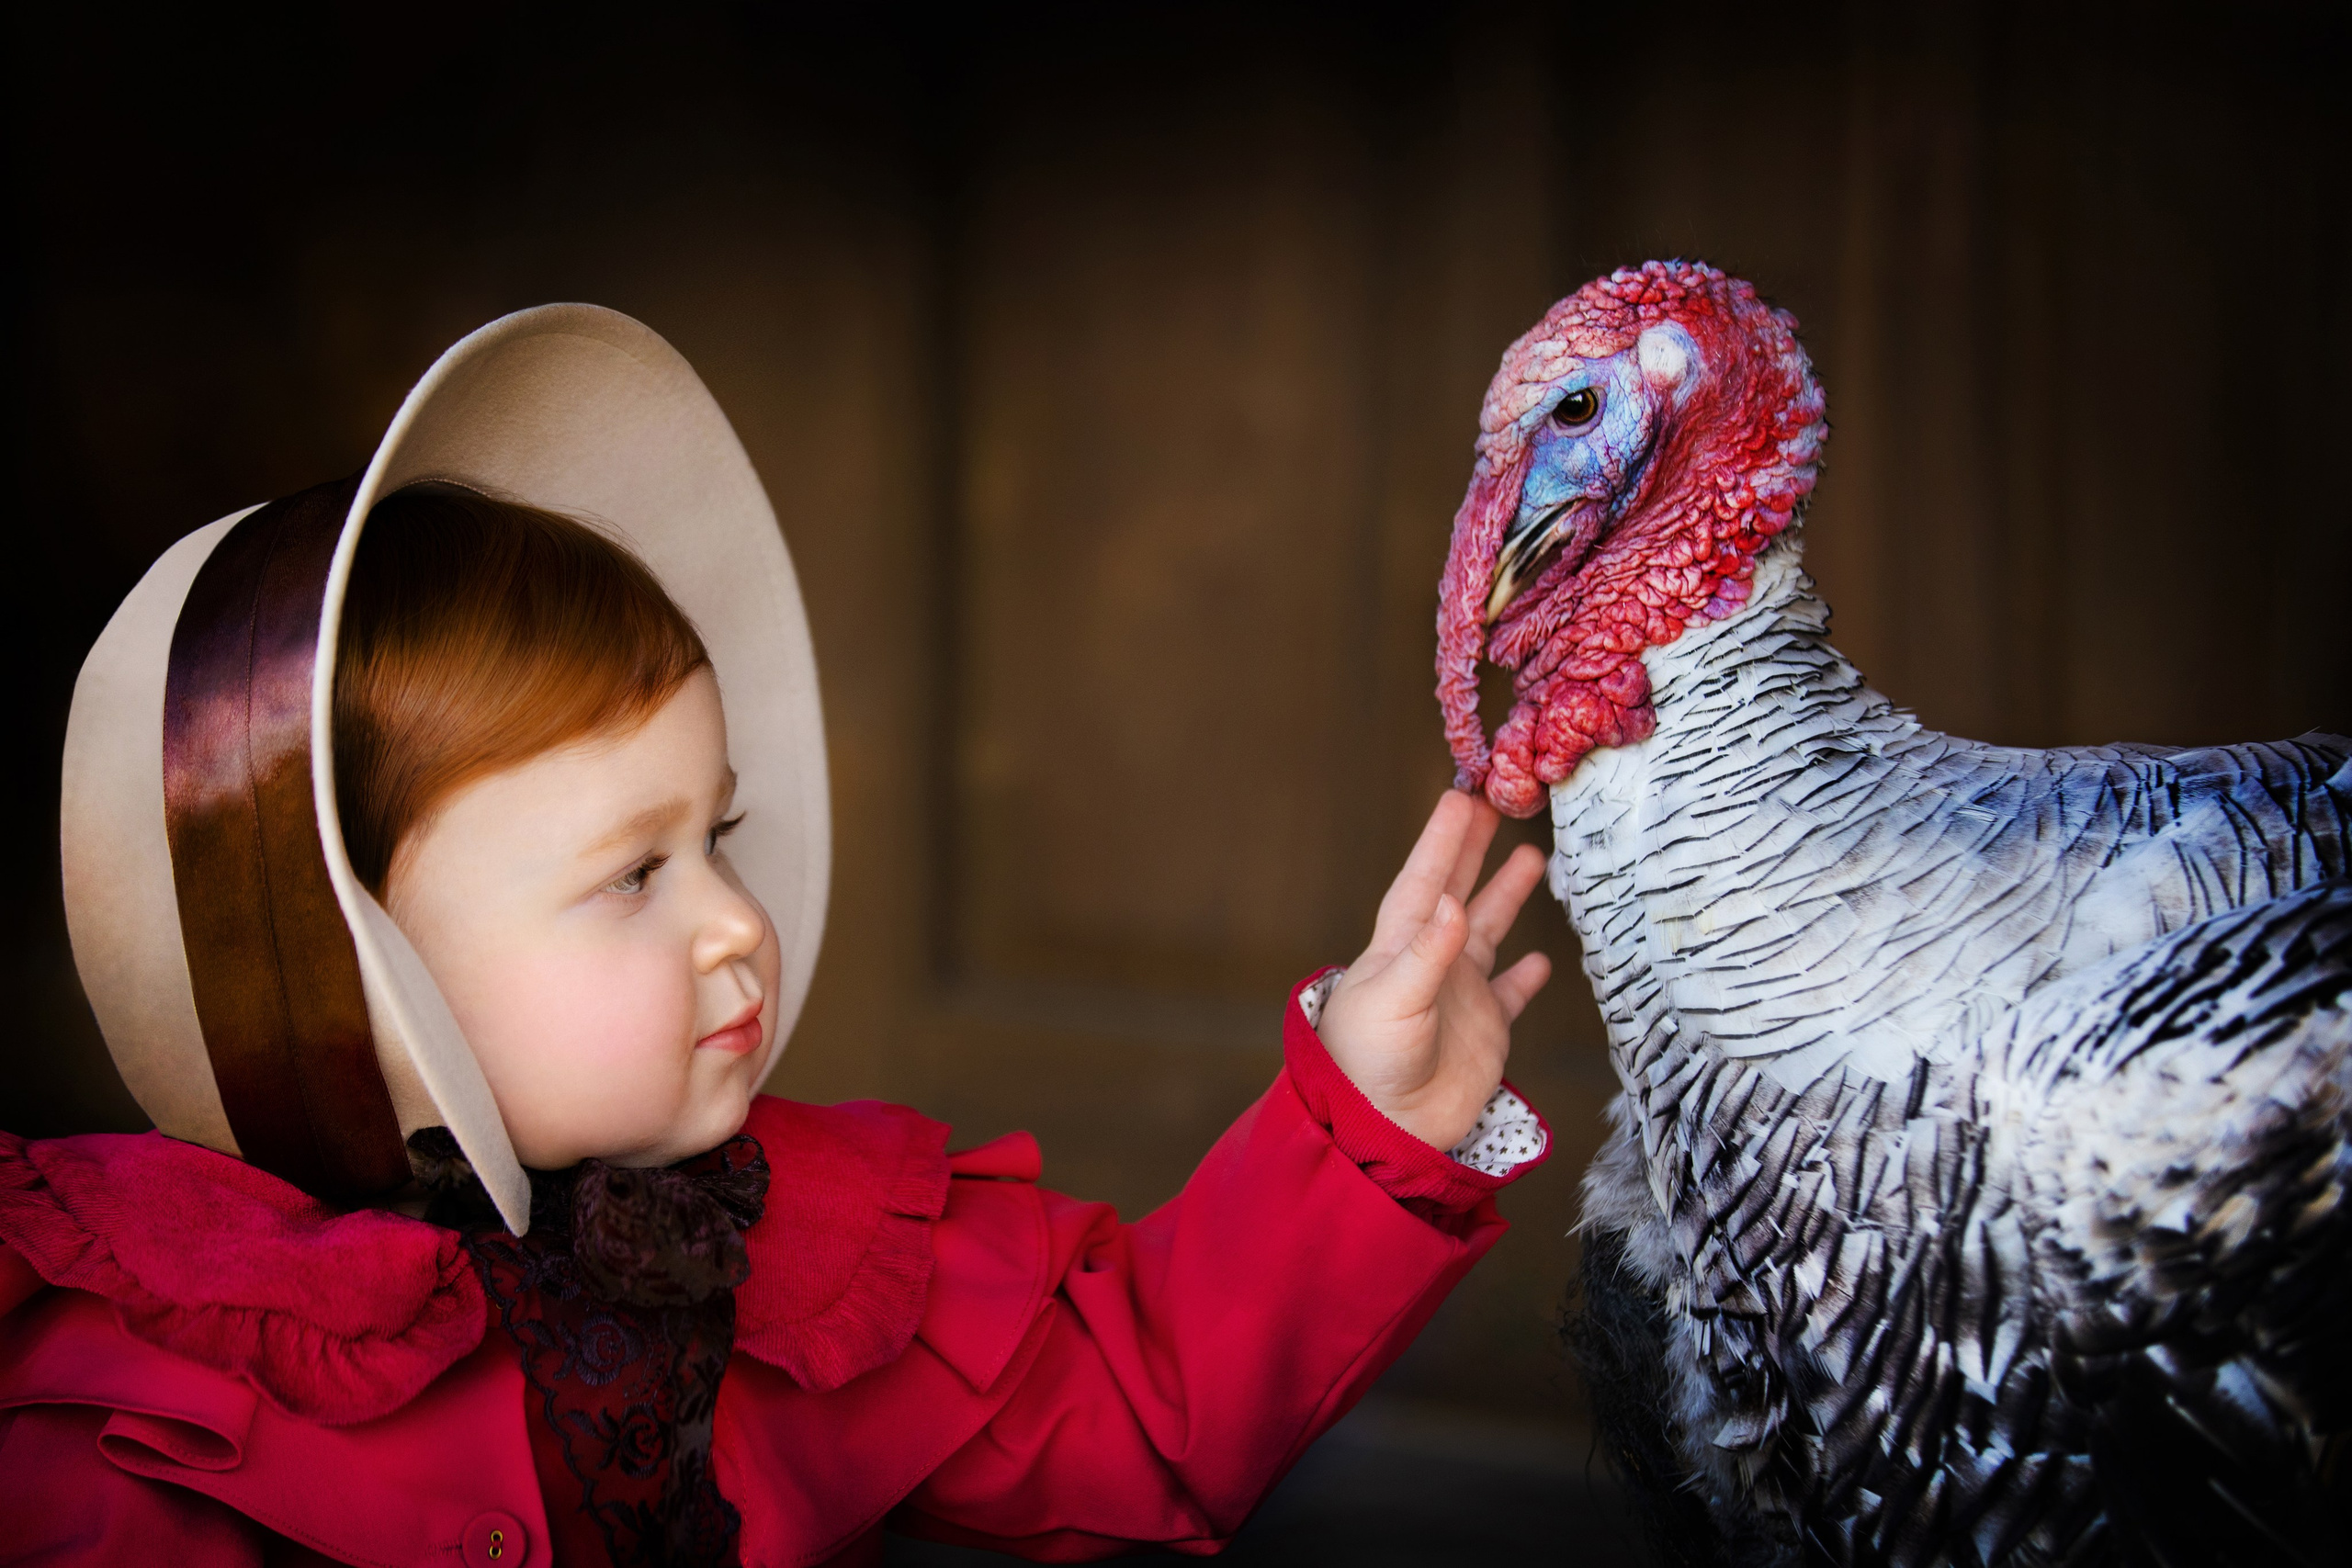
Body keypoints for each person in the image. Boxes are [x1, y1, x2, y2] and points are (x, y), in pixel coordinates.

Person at [0, 306, 1553, 1567]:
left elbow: (1149, 1408)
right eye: (631, 875)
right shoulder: (140, 1394)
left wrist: (1367, 1114)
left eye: (717, 838)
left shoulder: (793, 1252)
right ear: (359, 977)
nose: (740, 923)